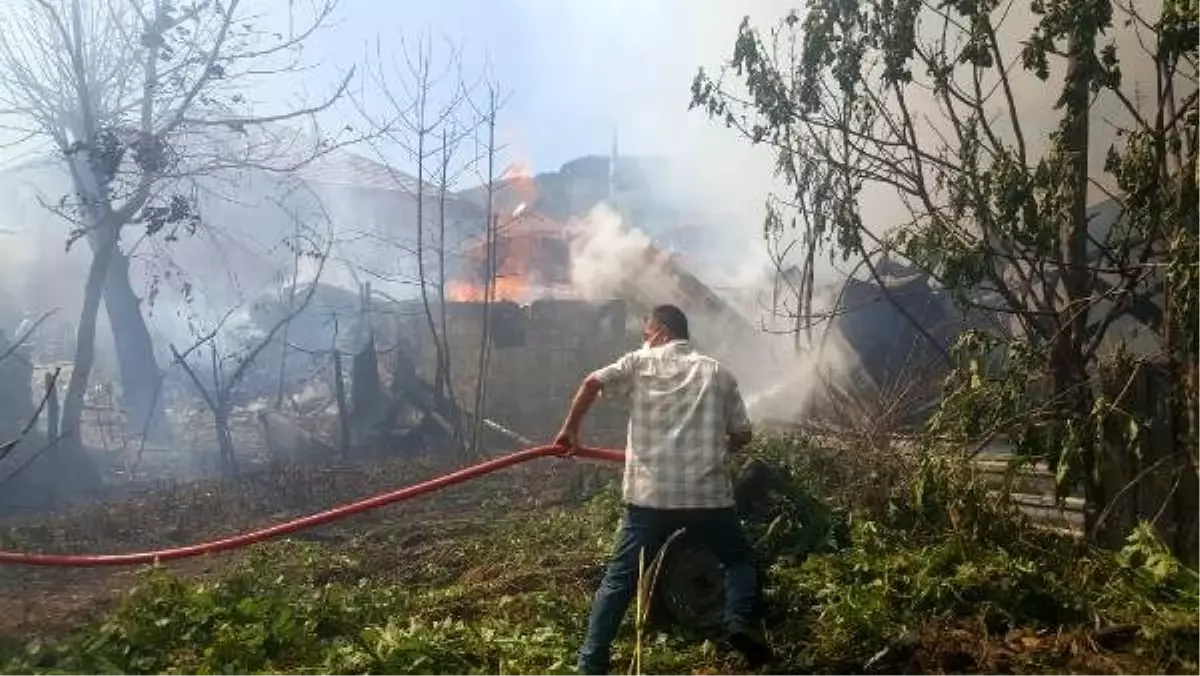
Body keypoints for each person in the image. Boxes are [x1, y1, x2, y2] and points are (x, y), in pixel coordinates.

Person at [554, 304, 774, 674]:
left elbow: (592, 382)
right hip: (708, 497)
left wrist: (570, 431)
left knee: (620, 579)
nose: (644, 340)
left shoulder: (640, 363)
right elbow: (743, 434)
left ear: (661, 332)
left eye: (646, 334)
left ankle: (591, 663)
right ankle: (738, 622)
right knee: (737, 560)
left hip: (650, 497)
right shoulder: (718, 372)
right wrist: (715, 448)